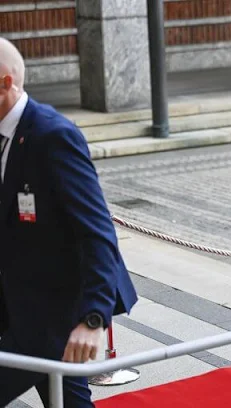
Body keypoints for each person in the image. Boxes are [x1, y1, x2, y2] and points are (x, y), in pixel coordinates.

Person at [0, 37, 138, 406]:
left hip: (56, 312)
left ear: (5, 85)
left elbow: (97, 232)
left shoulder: (52, 135)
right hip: (20, 303)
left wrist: (93, 318)